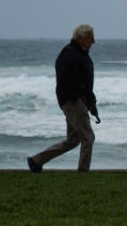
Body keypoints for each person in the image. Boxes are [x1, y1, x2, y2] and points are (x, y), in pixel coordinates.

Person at [27, 23, 100, 172]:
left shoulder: (81, 54)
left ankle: (36, 161)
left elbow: (85, 84)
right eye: (91, 38)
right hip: (73, 101)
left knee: (73, 140)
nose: (93, 41)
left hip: (77, 101)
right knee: (88, 137)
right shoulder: (69, 54)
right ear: (81, 38)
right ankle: (83, 172)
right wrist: (74, 99)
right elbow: (64, 80)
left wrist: (92, 104)